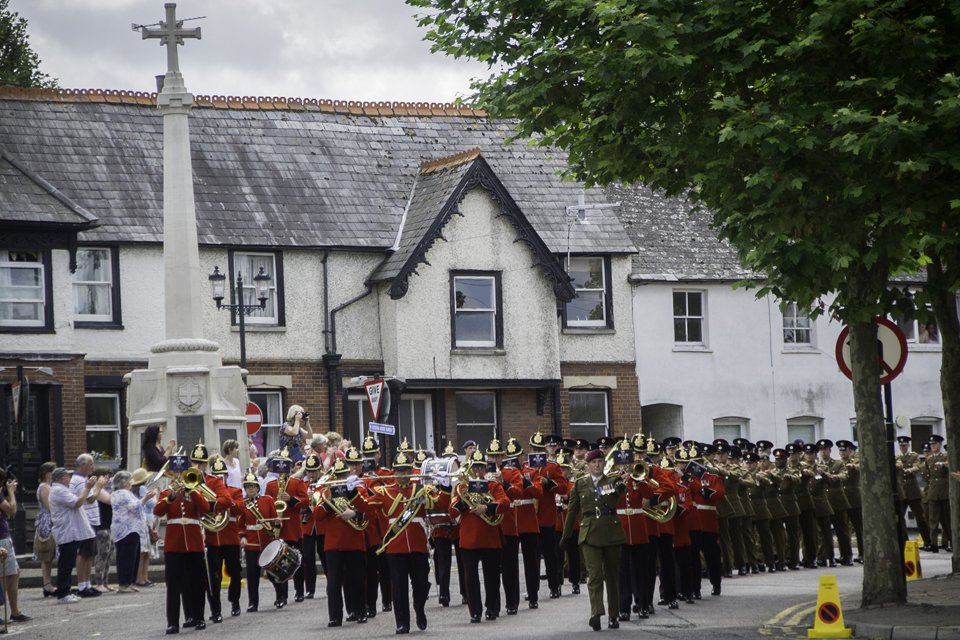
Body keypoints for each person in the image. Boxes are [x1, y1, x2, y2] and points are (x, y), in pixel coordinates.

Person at [365, 451, 452, 634]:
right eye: (399, 471)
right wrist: (350, 492)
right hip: (396, 546)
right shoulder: (385, 492)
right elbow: (364, 506)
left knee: (421, 584)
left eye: (405, 470)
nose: (403, 474)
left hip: (418, 544)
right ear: (394, 473)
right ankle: (402, 622)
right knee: (398, 586)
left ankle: (419, 610)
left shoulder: (421, 490)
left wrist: (445, 485)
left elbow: (441, 503)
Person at [561, 448, 627, 631]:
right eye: (593, 462)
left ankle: (614, 615)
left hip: (612, 533)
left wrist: (621, 487)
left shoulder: (613, 480)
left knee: (612, 576)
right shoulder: (580, 484)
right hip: (589, 534)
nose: (597, 465)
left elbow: (622, 488)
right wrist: (566, 536)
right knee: (595, 575)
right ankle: (596, 613)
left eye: (599, 461)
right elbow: (572, 511)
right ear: (588, 465)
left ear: (604, 464)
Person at [450, 450, 510, 623]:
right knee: (471, 577)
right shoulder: (461, 487)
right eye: (473, 467)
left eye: (479, 467)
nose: (477, 471)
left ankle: (491, 607)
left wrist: (487, 508)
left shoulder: (492, 485)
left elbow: (505, 502)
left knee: (492, 576)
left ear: (484, 468)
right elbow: (452, 513)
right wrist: (462, 502)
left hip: (490, 537)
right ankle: (475, 611)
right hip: (469, 539)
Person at [155, 453, 211, 633]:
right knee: (173, 585)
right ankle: (172, 622)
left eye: (182, 471)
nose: (179, 474)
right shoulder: (166, 493)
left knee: (197, 582)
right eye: (176, 471)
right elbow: (158, 511)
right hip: (174, 544)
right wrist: (172, 495)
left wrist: (192, 490)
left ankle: (199, 617)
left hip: (194, 543)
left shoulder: (196, 491)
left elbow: (205, 508)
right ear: (172, 473)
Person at [49, 467, 98, 604]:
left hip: (70, 531)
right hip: (67, 531)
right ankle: (63, 593)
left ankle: (66, 590)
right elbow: (77, 503)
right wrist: (87, 488)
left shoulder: (61, 489)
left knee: (68, 562)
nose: (69, 479)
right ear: (62, 478)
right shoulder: (58, 490)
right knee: (66, 563)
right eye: (67, 476)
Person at [239, 470, 280, 613]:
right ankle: (253, 602)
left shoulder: (267, 500)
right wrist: (242, 537)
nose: (251, 488)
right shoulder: (242, 504)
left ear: (258, 487)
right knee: (252, 574)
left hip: (266, 540)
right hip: (251, 543)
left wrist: (277, 523)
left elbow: (275, 520)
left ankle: (280, 596)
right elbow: (240, 525)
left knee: (272, 572)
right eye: (248, 486)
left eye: (253, 486)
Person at [68, 454, 109, 598]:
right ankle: (82, 585)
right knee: (84, 554)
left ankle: (87, 584)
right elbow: (91, 499)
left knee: (91, 554)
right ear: (83, 465)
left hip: (92, 521)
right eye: (91, 464)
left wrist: (97, 487)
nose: (93, 467)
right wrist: (98, 486)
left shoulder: (84, 480)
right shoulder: (79, 481)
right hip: (86, 521)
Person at [110, 470, 156, 593]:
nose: (131, 482)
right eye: (129, 480)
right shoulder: (121, 493)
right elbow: (136, 507)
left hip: (133, 529)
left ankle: (130, 582)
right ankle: (124, 584)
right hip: (126, 530)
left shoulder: (127, 493)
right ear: (124, 482)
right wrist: (146, 498)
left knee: (133, 558)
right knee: (126, 557)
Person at [0, 470, 29, 622]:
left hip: (5, 538)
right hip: (1, 540)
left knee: (14, 572)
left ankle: (15, 611)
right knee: (5, 576)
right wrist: (11, 493)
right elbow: (12, 510)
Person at [131, 468, 158, 588]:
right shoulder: (143, 488)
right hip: (146, 520)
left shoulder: (137, 489)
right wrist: (156, 495)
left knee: (146, 552)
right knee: (145, 551)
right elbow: (152, 504)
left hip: (145, 520)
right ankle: (141, 578)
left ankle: (143, 577)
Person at [35, 462, 58, 598]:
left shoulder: (50, 486)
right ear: (46, 473)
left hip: (50, 520)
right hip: (47, 521)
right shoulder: (45, 487)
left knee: (50, 556)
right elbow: (50, 507)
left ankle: (48, 584)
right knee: (47, 554)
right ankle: (47, 584)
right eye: (53, 471)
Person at [92, 467, 116, 592]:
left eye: (109, 477)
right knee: (102, 554)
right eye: (105, 476)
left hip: (109, 525)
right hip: (102, 527)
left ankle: (105, 582)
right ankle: (99, 582)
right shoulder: (98, 489)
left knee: (109, 555)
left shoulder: (106, 489)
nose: (108, 479)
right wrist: (117, 488)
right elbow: (109, 500)